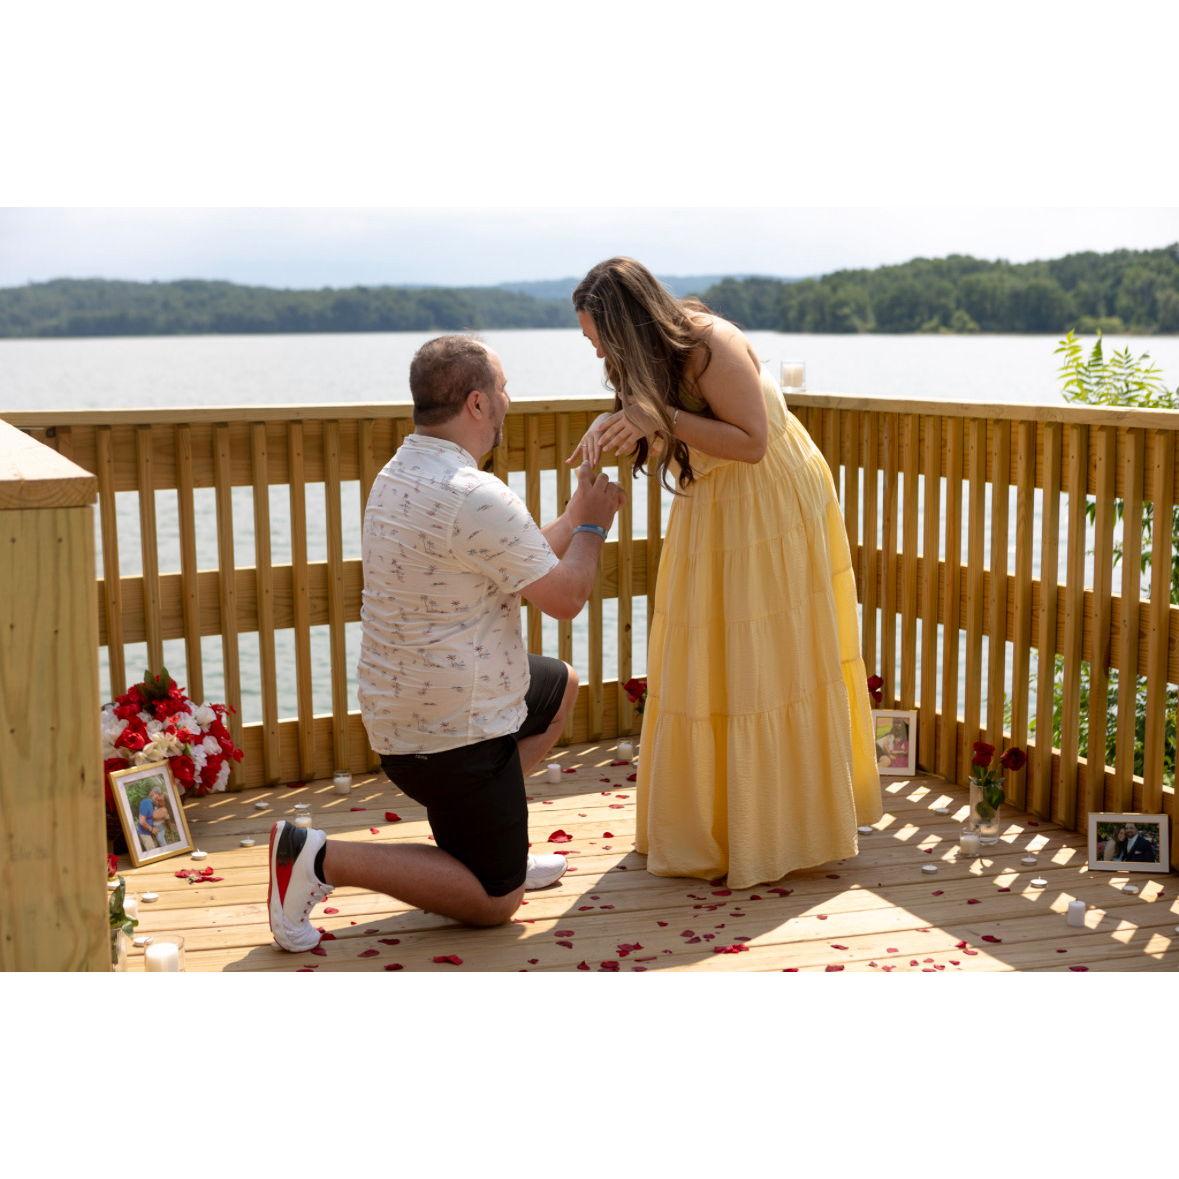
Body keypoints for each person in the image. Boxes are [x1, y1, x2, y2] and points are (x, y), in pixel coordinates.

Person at [267, 335, 625, 952]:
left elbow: (512, 559)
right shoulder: (473, 493)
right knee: (496, 901)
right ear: (477, 403)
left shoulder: (400, 471)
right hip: (451, 737)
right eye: (504, 389)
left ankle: (493, 828)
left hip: (401, 715)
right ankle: (316, 857)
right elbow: (566, 598)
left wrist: (570, 518)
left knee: (558, 684)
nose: (511, 401)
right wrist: (593, 524)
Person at [569, 257, 882, 889]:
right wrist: (615, 425)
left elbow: (751, 442)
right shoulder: (644, 361)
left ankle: (780, 829)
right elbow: (672, 431)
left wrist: (657, 416)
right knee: (706, 659)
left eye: (596, 335)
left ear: (626, 323)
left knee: (770, 661)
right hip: (711, 503)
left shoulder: (711, 342)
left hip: (770, 503)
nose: (594, 349)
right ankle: (716, 825)